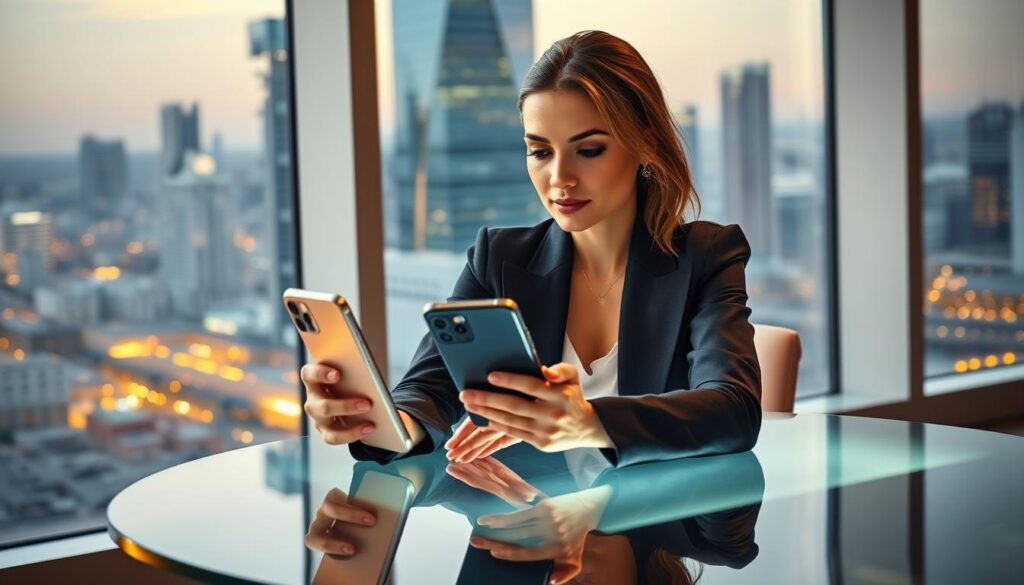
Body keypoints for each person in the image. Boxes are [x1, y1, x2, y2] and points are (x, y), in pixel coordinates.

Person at [301, 30, 761, 467]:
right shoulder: (498, 259)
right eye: (540, 152)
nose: (560, 177)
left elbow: (733, 411)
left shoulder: (706, 256)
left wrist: (589, 423)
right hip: (529, 523)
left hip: (654, 530)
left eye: (590, 149)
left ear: (645, 142)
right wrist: (378, 422)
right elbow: (430, 387)